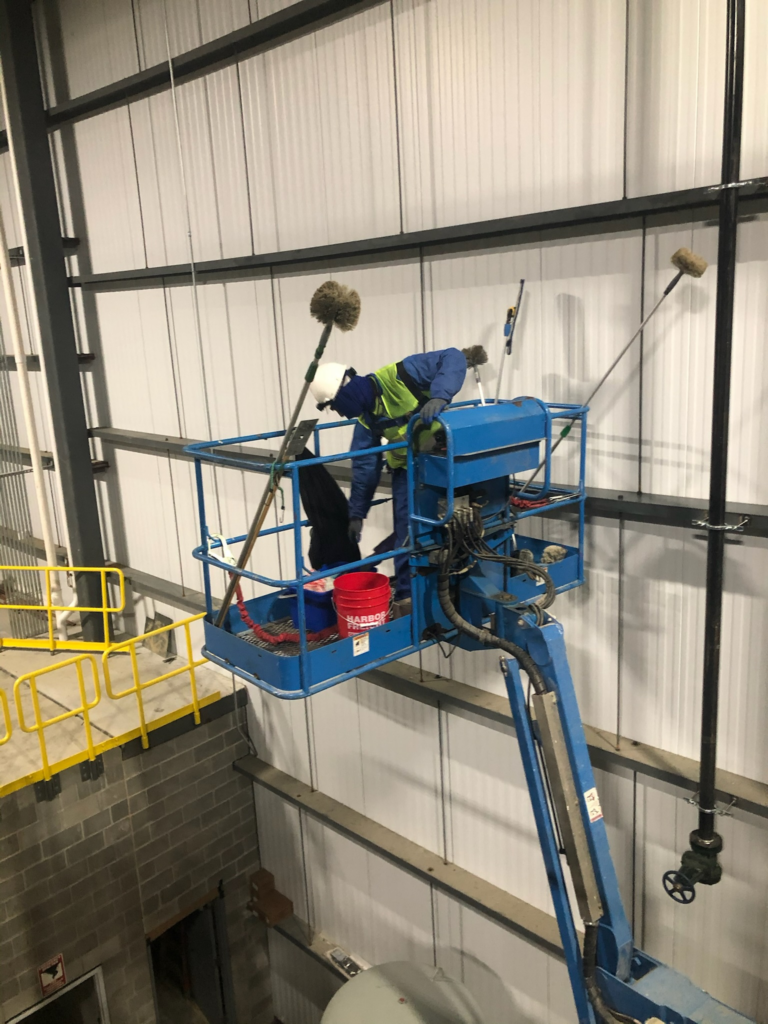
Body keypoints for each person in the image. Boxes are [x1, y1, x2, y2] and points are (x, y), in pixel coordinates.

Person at [309, 349, 467, 613]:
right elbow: (364, 466)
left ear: (344, 392)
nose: (339, 414)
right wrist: (356, 513)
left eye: (335, 406)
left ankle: (449, 584)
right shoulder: (367, 421)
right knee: (406, 534)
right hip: (407, 474)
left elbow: (453, 357)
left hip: (444, 463)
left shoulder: (403, 374)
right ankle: (408, 596)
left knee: (447, 527)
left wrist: (440, 395)